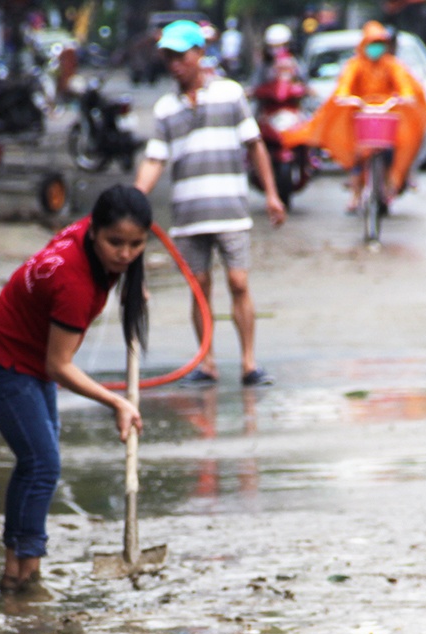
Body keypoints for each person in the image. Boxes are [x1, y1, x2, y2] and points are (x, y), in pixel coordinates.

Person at [0, 185, 152, 595]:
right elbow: (60, 365)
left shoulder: (89, 241)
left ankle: (15, 573)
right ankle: (25, 573)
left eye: (136, 244)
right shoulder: (74, 282)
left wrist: (129, 285)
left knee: (37, 462)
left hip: (29, 358)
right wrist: (115, 401)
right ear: (94, 232)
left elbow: (53, 361)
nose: (125, 254)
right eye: (115, 243)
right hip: (4, 362)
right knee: (42, 463)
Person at [135, 19, 284, 388]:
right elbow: (155, 159)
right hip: (189, 215)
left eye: (181, 56)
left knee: (238, 282)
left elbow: (255, 145)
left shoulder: (231, 95)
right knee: (199, 288)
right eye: (169, 57)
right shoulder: (166, 109)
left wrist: (271, 194)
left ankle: (249, 363)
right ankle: (208, 363)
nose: (174, 64)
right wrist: (132, 201)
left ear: (199, 54)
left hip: (231, 210)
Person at [281, 21, 426, 213]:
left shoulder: (392, 65)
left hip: (386, 115)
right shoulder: (355, 65)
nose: (376, 47)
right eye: (372, 42)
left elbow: (404, 85)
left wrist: (406, 96)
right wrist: (344, 97)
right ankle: (357, 193)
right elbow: (345, 85)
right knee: (358, 153)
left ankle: (392, 182)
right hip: (361, 115)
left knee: (398, 146)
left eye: (379, 43)